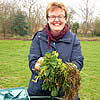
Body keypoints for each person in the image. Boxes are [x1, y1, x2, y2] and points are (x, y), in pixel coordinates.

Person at [27, 1, 84, 100]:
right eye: (52, 16)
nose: (56, 20)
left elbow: (78, 61)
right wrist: (38, 66)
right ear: (47, 19)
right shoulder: (39, 37)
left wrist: (64, 74)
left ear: (65, 19)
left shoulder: (73, 38)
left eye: (60, 16)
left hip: (65, 92)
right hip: (39, 93)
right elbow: (32, 62)